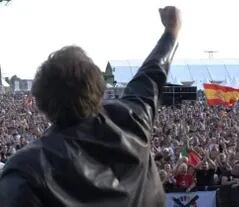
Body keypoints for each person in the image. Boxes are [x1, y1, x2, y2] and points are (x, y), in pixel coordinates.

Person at [0, 6, 181, 207]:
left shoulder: (26, 171)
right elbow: (152, 73)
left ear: (41, 102)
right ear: (99, 89)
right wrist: (171, 32)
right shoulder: (132, 119)